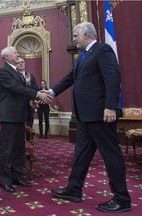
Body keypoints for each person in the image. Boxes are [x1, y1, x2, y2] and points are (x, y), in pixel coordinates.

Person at [49, 22, 131, 213]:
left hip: (101, 114)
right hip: (85, 115)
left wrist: (110, 106)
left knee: (111, 155)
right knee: (81, 154)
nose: (74, 39)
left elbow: (113, 77)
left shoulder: (102, 50)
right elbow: (70, 78)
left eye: (76, 35)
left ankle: (122, 198)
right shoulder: (83, 56)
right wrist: (51, 92)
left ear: (86, 35)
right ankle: (74, 189)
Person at [0, 46, 52, 193]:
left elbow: (19, 93)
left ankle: (17, 176)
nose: (18, 54)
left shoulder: (17, 72)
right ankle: (4, 179)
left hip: (20, 115)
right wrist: (37, 94)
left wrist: (30, 102)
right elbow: (15, 88)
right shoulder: (3, 71)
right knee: (6, 150)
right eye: (15, 53)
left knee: (19, 149)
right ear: (7, 57)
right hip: (9, 116)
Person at [16, 57, 39, 141]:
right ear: (15, 65)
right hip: (18, 106)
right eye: (19, 62)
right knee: (18, 129)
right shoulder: (14, 76)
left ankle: (29, 142)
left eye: (23, 62)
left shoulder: (30, 76)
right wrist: (26, 84)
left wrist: (29, 83)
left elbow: (35, 89)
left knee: (29, 126)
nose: (21, 63)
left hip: (29, 107)